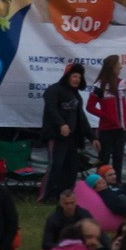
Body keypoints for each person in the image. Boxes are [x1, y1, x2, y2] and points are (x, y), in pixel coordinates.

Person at [41, 61, 90, 202]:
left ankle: (65, 196)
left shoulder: (76, 96)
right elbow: (51, 109)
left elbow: (82, 118)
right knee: (56, 165)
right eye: (75, 76)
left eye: (79, 77)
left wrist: (92, 137)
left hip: (72, 139)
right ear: (67, 76)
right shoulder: (54, 90)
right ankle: (47, 196)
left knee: (72, 168)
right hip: (56, 136)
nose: (77, 80)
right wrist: (61, 124)